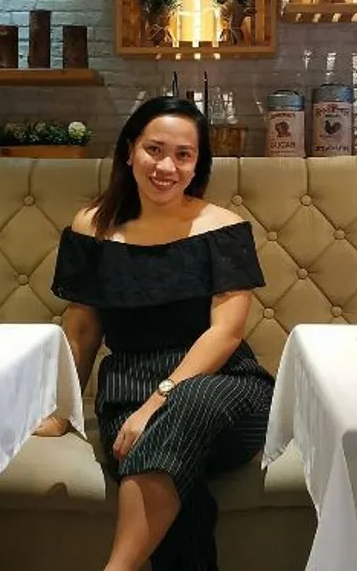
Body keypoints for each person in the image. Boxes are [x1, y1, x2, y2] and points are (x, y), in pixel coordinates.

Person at [36, 96, 274, 571]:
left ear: (198, 164)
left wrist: (157, 402)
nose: (167, 166)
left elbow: (225, 334)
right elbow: (82, 327)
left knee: (188, 406)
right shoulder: (93, 226)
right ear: (130, 151)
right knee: (181, 488)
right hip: (128, 389)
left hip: (225, 387)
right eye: (155, 150)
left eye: (183, 155)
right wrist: (62, 410)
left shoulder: (224, 228)